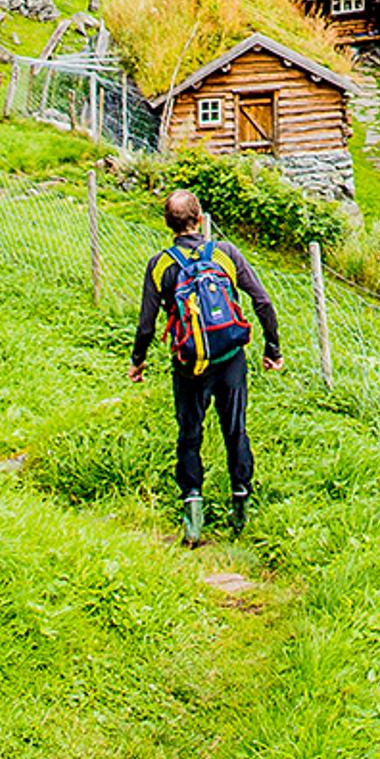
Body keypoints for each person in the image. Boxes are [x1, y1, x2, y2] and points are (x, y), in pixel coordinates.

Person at [127, 187, 280, 542]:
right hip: (229, 359)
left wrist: (138, 361)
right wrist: (272, 348)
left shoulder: (160, 265)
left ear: (168, 224)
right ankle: (240, 508)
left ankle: (193, 517)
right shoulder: (225, 254)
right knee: (235, 429)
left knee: (190, 433)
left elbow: (146, 325)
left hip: (189, 364)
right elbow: (262, 302)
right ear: (200, 219)